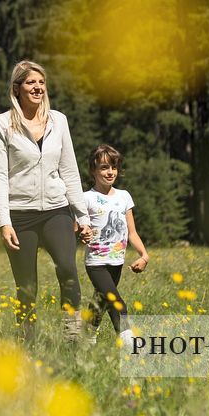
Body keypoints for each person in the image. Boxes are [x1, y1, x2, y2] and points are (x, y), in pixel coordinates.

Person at [0, 60, 93, 343]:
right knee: (26, 285)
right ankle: (28, 341)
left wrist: (82, 216)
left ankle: (73, 337)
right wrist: (4, 222)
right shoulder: (1, 124)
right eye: (30, 82)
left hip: (56, 211)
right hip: (20, 214)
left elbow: (69, 170)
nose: (37, 87)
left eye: (41, 82)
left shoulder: (58, 120)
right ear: (17, 88)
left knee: (68, 269)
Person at [82, 144, 149, 346]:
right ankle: (128, 341)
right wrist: (82, 232)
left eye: (114, 167)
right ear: (93, 170)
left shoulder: (124, 196)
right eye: (104, 167)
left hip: (116, 261)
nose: (110, 172)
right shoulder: (86, 198)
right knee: (115, 300)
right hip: (96, 262)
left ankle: (86, 338)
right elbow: (76, 227)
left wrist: (144, 255)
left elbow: (132, 232)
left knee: (100, 301)